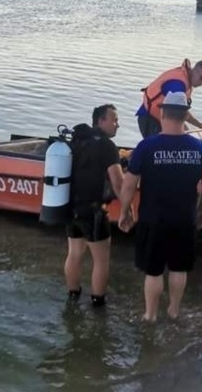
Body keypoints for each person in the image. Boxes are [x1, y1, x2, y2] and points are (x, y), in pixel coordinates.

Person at [119, 92, 202, 321]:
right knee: (178, 268)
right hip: (184, 218)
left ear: (162, 113)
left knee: (153, 271)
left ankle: (150, 315)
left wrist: (125, 210)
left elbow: (129, 184)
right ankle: (174, 310)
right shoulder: (201, 148)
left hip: (153, 218)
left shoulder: (146, 147)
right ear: (184, 116)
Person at [64, 104, 124, 307]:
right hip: (94, 212)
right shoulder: (107, 146)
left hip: (71, 208)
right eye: (114, 119)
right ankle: (98, 304)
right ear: (100, 121)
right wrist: (127, 208)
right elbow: (118, 182)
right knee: (101, 260)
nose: (118, 124)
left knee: (74, 253)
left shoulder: (79, 141)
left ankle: (72, 297)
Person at [136, 58, 202, 138]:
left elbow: (181, 113)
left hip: (161, 118)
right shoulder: (177, 85)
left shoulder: (186, 78)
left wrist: (198, 126)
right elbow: (177, 114)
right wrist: (192, 129)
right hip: (150, 119)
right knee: (161, 148)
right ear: (194, 70)